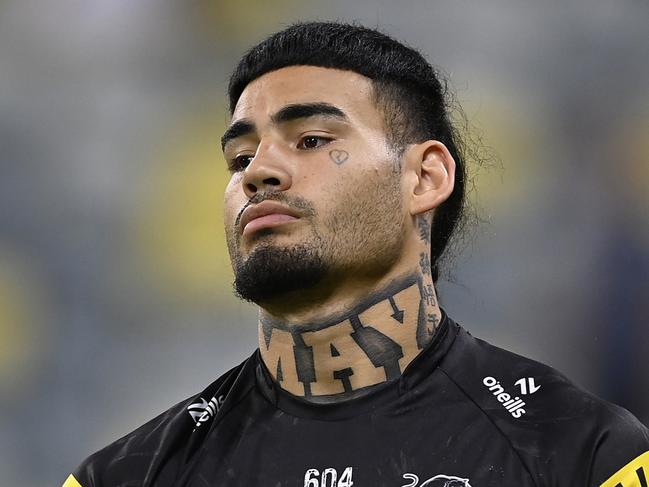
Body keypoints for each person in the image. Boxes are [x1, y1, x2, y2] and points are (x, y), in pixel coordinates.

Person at [63, 22, 649, 487]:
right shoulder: (122, 476)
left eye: (312, 140)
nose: (258, 172)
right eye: (239, 159)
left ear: (424, 178)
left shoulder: (584, 454)